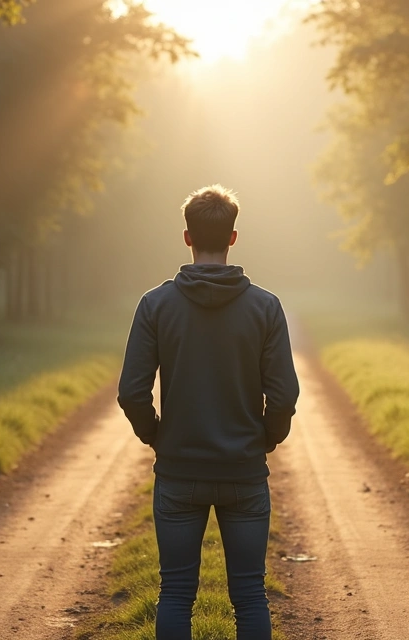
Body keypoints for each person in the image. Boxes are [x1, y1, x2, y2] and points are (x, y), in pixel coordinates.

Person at [117, 184, 300, 640]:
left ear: (187, 237)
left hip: (179, 472)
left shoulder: (155, 305)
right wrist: (266, 439)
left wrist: (156, 435)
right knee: (250, 595)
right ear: (234, 237)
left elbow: (132, 392)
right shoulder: (265, 307)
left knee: (176, 592)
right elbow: (283, 397)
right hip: (244, 472)